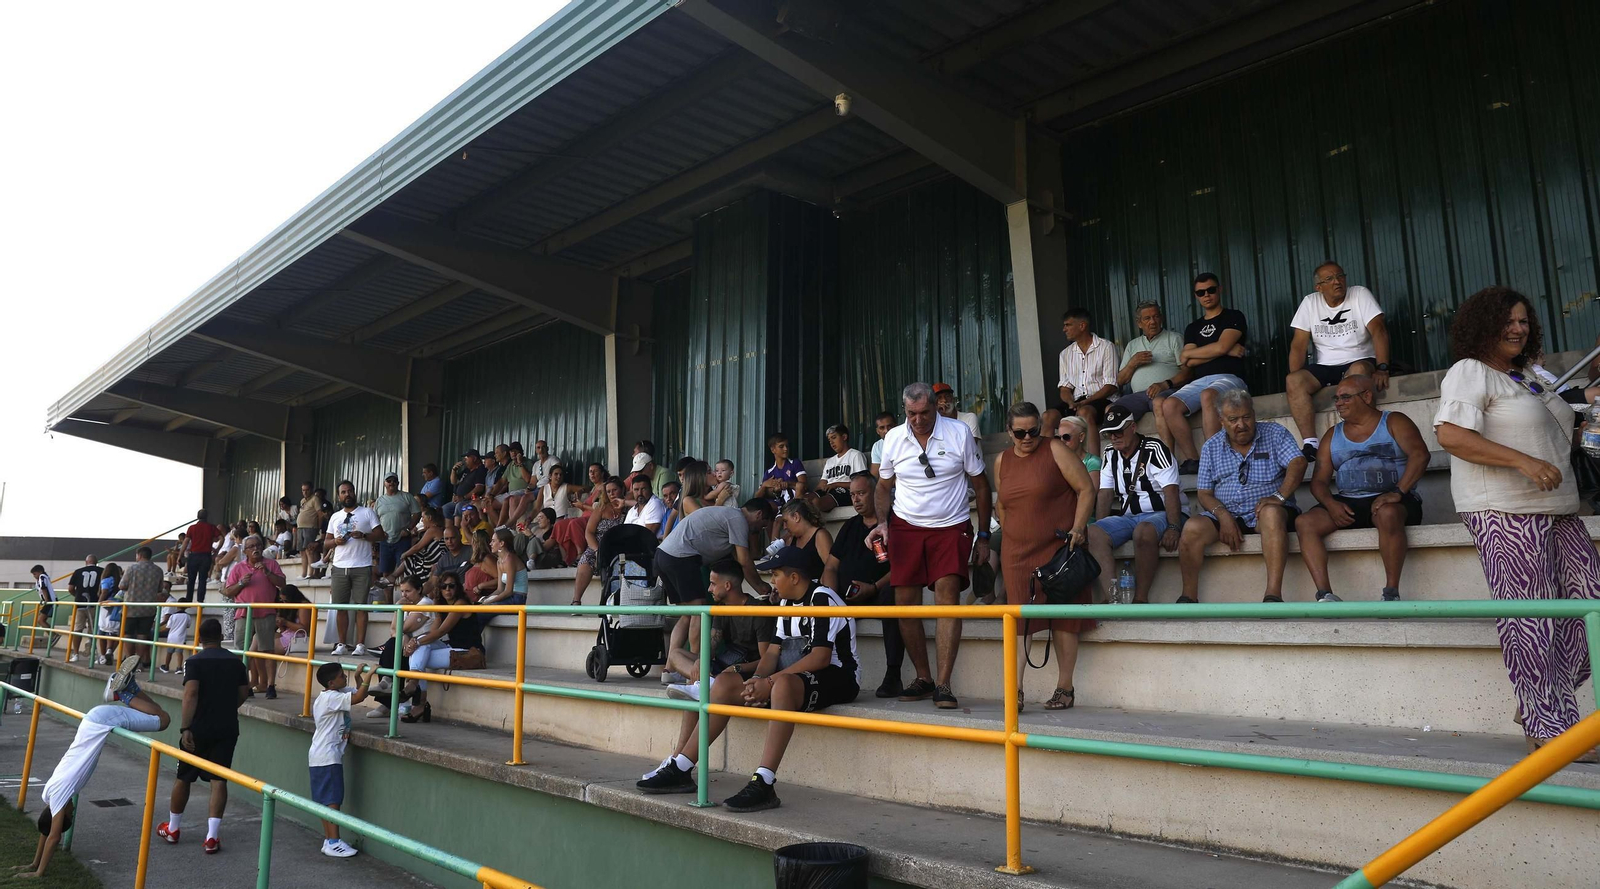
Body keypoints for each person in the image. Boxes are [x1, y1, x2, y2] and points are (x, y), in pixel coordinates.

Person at [1434, 286, 1600, 760]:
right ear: (1483, 326)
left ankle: (1539, 705)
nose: (1517, 328)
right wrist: (1524, 462)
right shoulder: (1471, 373)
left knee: (1591, 608)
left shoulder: (1527, 375)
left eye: (1524, 321)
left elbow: (1558, 418)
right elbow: (1451, 434)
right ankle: (1550, 731)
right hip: (1503, 509)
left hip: (1558, 510)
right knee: (1533, 622)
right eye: (1508, 320)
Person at [636, 546, 858, 812]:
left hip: (838, 676)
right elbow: (773, 652)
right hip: (794, 676)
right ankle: (682, 767)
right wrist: (760, 678)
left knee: (783, 686)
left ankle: (764, 782)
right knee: (726, 683)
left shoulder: (823, 598)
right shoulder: (785, 603)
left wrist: (771, 681)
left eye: (775, 575)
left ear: (795, 578)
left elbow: (821, 658)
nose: (772, 582)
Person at [868, 381, 993, 710]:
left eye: (925, 412)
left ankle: (943, 684)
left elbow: (981, 486)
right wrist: (883, 523)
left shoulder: (959, 433)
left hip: (951, 525)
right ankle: (923, 677)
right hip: (906, 525)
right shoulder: (894, 437)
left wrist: (983, 535)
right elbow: (882, 487)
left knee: (946, 598)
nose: (919, 420)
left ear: (937, 407)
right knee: (905, 603)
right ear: (904, 411)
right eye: (912, 414)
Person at [17, 670, 170, 880]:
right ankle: (130, 689)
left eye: (69, 814)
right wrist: (33, 863)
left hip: (102, 720)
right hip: (95, 719)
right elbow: (47, 830)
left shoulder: (61, 795)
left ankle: (121, 694)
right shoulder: (49, 795)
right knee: (158, 714)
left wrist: (39, 872)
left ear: (62, 814)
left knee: (163, 720)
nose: (72, 810)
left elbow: (53, 836)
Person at [994, 401, 1096, 711]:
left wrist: (1078, 529)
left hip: (1058, 549)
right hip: (1016, 552)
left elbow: (1086, 489)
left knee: (1064, 617)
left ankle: (1065, 688)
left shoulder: (1054, 449)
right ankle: (1016, 691)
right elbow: (1002, 502)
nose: (1027, 438)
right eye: (1020, 433)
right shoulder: (1001, 460)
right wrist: (1011, 528)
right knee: (1020, 620)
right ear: (1009, 432)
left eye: (1033, 431)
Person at [1295, 375, 1428, 602]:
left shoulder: (1394, 421)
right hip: (1350, 502)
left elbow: (1420, 455)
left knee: (1387, 513)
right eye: (1336, 398)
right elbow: (1318, 481)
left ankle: (1391, 594)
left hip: (1396, 498)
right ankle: (1325, 596)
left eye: (1345, 397)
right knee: (1304, 522)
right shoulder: (1332, 435)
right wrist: (1331, 504)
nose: (1338, 403)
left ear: (1367, 396)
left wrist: (1397, 492)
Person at [1178, 389, 1306, 603]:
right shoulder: (1211, 446)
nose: (1241, 424)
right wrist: (1223, 516)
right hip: (1227, 512)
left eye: (1246, 417)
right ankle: (1188, 598)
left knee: (1271, 514)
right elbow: (1204, 493)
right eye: (1233, 419)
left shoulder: (1275, 433)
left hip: (1266, 512)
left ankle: (1273, 595)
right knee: (1192, 528)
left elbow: (1298, 463)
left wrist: (1280, 496)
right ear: (1221, 421)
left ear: (1254, 415)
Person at [157, 619, 250, 853]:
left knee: (184, 777)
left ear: (199, 638)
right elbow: (243, 693)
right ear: (220, 636)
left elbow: (191, 694)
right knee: (219, 780)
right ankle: (211, 837)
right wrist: (228, 709)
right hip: (227, 727)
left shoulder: (194, 662)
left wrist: (185, 727)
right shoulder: (237, 662)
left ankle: (174, 829)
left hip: (197, 729)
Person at [1286, 262, 1391, 460]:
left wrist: (1383, 367)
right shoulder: (1310, 302)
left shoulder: (1359, 294)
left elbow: (1379, 330)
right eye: (1330, 279)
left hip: (1359, 359)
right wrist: (1296, 376)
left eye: (1340, 276)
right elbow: (1298, 345)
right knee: (1293, 381)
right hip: (1326, 365)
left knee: (1357, 371)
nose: (1337, 282)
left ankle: (1362, 438)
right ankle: (1310, 444)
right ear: (1319, 287)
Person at [1085, 405, 1185, 605]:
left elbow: (1171, 490)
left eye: (1118, 431)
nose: (1113, 437)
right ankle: (1112, 598)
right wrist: (1103, 528)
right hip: (1129, 517)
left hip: (1160, 513)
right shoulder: (1109, 454)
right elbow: (1104, 494)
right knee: (1093, 532)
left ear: (1133, 427)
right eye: (1109, 433)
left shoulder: (1154, 448)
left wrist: (1174, 526)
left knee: (1144, 531)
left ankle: (1140, 599)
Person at [1153, 273, 1251, 474]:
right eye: (1201, 292)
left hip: (1229, 378)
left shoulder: (1234, 316)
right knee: (1169, 404)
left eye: (1211, 290)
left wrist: (1216, 349)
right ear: (1196, 296)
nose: (1207, 295)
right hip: (1200, 381)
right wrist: (1222, 350)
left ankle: (1213, 459)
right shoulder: (1193, 327)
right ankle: (1194, 459)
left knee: (1209, 395)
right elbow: (1184, 359)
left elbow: (1218, 347)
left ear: (1219, 290)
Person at [822, 473, 899, 696]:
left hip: (879, 592)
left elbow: (902, 569)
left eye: (861, 493)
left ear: (876, 493)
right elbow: (830, 567)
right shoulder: (849, 526)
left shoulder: (893, 523)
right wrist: (831, 596)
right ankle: (827, 671)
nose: (855, 499)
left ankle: (893, 675)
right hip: (847, 598)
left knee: (893, 596)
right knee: (821, 603)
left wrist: (873, 588)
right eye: (852, 495)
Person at [662, 560, 775, 703]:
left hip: (744, 671)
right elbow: (712, 645)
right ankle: (706, 683)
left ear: (727, 586)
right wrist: (699, 661)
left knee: (696, 697)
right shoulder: (721, 608)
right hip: (722, 665)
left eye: (713, 584)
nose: (709, 589)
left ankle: (705, 684)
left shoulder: (758, 611)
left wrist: (737, 668)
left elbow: (767, 659)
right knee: (675, 654)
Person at [308, 661, 376, 858]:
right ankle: (334, 842)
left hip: (321, 755)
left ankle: (330, 840)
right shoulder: (331, 698)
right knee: (332, 801)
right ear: (331, 683)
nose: (343, 678)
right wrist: (371, 674)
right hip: (327, 756)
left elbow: (356, 690)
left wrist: (357, 677)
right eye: (340, 676)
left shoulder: (333, 693)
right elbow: (360, 697)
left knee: (326, 801)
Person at [397, 571, 484, 723]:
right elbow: (433, 631)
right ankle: (416, 694)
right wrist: (414, 641)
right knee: (420, 646)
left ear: (458, 587)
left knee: (419, 651)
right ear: (439, 589)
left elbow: (442, 631)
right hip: (451, 647)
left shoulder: (461, 603)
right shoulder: (441, 605)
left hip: (467, 651)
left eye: (451, 586)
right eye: (444, 586)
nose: (448, 590)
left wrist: (416, 642)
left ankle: (417, 696)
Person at [323, 480, 383, 657]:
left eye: (350, 491)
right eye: (343, 492)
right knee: (340, 608)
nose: (347, 494)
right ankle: (341, 643)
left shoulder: (367, 512)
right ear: (339, 495)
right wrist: (336, 541)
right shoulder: (335, 517)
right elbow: (326, 542)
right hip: (339, 567)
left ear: (354, 492)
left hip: (361, 566)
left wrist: (364, 536)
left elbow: (380, 535)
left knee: (361, 607)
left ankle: (360, 644)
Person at [222, 536, 285, 697]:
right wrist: (242, 583)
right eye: (251, 546)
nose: (255, 548)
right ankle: (245, 684)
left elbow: (282, 583)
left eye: (258, 545)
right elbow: (228, 592)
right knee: (242, 651)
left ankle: (271, 686)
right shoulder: (238, 568)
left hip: (265, 613)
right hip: (243, 613)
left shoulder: (271, 564)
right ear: (245, 551)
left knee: (267, 651)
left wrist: (267, 572)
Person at [1054, 308, 1118, 454]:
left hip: (1102, 399)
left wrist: (1085, 402)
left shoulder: (1106, 347)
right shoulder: (1065, 354)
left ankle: (1093, 464)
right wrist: (1070, 402)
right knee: (1048, 417)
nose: (1064, 329)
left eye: (1068, 325)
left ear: (1082, 326)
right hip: (1076, 401)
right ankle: (1048, 466)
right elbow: (1064, 388)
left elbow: (1111, 386)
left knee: (1085, 412)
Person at [1111, 301, 1185, 419]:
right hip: (1139, 396)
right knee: (1112, 411)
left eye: (1156, 316)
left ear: (1161, 318)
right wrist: (1133, 363)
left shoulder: (1175, 338)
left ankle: (1165, 439)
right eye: (1147, 318)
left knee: (1158, 403)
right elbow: (1120, 380)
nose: (1153, 322)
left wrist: (1165, 384)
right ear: (1139, 323)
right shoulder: (1132, 345)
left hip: (1167, 391)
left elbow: (1188, 372)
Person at [571, 478, 626, 606]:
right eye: (608, 491)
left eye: (614, 490)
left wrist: (624, 503)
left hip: (619, 548)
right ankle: (576, 600)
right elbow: (589, 532)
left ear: (622, 489)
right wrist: (597, 550)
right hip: (598, 545)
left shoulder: (629, 508)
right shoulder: (601, 508)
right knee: (586, 560)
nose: (611, 494)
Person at [120, 546, 166, 668]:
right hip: (148, 607)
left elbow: (122, 586)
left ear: (139, 555)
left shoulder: (131, 568)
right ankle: (138, 662)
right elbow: (160, 589)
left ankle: (129, 661)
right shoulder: (158, 570)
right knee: (143, 634)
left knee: (128, 634)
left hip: (131, 607)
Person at [808, 424, 868, 512]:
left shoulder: (855, 455)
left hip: (846, 491)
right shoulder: (830, 461)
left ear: (844, 437)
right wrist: (814, 493)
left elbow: (862, 483)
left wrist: (836, 484)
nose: (831, 442)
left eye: (834, 437)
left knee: (817, 503)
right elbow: (822, 484)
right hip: (829, 489)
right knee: (804, 500)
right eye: (829, 440)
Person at [767, 499, 831, 580]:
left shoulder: (820, 536)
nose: (785, 527)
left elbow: (830, 569)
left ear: (796, 517)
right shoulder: (791, 539)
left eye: (786, 521)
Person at [374, 472, 417, 582]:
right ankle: (389, 600)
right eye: (389, 481)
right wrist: (379, 533)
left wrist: (408, 529)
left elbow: (417, 513)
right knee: (386, 573)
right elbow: (374, 520)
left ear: (398, 483)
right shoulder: (379, 501)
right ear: (384, 484)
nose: (391, 483)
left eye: (394, 480)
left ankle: (406, 598)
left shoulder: (407, 497)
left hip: (403, 540)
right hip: (385, 541)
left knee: (404, 570)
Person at [66, 555, 104, 663]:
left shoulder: (78, 571)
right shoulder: (102, 571)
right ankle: (93, 651)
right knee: (94, 628)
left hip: (80, 603)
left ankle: (76, 653)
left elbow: (70, 588)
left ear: (86, 562)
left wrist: (77, 596)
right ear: (96, 562)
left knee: (78, 629)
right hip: (95, 602)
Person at [1057, 416, 1102, 488]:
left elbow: (1091, 493)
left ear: (1081, 437)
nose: (1062, 441)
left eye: (1066, 437)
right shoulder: (1056, 461)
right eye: (1058, 438)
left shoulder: (1092, 462)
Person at [185, 509, 219, 603]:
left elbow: (186, 542)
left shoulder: (192, 528)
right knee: (202, 579)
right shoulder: (211, 527)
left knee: (191, 579)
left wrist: (180, 555)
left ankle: (188, 600)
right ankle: (200, 600)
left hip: (194, 555)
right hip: (205, 556)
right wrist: (216, 550)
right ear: (207, 516)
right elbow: (221, 538)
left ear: (197, 517)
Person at [447, 449, 488, 521]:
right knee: (445, 508)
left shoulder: (481, 469)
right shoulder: (467, 470)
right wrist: (454, 470)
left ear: (474, 459)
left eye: (466, 458)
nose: (464, 460)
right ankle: (450, 530)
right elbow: (454, 482)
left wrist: (463, 497)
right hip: (458, 499)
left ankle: (458, 529)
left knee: (459, 506)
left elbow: (479, 488)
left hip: (470, 500)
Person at [275, 584, 313, 656]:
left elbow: (304, 628)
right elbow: (284, 630)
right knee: (257, 639)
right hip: (287, 635)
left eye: (286, 601)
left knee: (263, 647)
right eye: (282, 601)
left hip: (298, 638)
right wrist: (280, 624)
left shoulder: (303, 605)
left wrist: (285, 622)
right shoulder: (287, 606)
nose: (284, 603)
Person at [96, 564, 122, 665]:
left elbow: (104, 592)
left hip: (106, 606)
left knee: (102, 631)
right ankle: (109, 651)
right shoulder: (120, 580)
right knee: (114, 631)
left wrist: (99, 602)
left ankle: (103, 656)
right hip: (118, 606)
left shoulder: (106, 580)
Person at [159, 593, 193, 673]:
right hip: (181, 637)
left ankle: (166, 666)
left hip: (171, 637)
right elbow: (188, 626)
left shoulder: (173, 616)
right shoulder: (187, 616)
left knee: (169, 653)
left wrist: (159, 630)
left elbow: (168, 627)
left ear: (177, 605)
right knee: (179, 653)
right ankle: (179, 667)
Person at [27, 565, 56, 655]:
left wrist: (46, 600)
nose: (34, 576)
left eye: (34, 574)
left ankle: (54, 635)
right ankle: (53, 635)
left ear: (39, 572)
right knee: (42, 620)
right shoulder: (44, 577)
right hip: (48, 601)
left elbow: (44, 588)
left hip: (50, 602)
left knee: (40, 620)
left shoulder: (42, 577)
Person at [868, 412, 895, 478]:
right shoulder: (877, 446)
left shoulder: (906, 441)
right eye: (882, 428)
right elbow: (875, 475)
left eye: (890, 426)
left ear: (896, 426)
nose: (886, 431)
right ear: (877, 431)